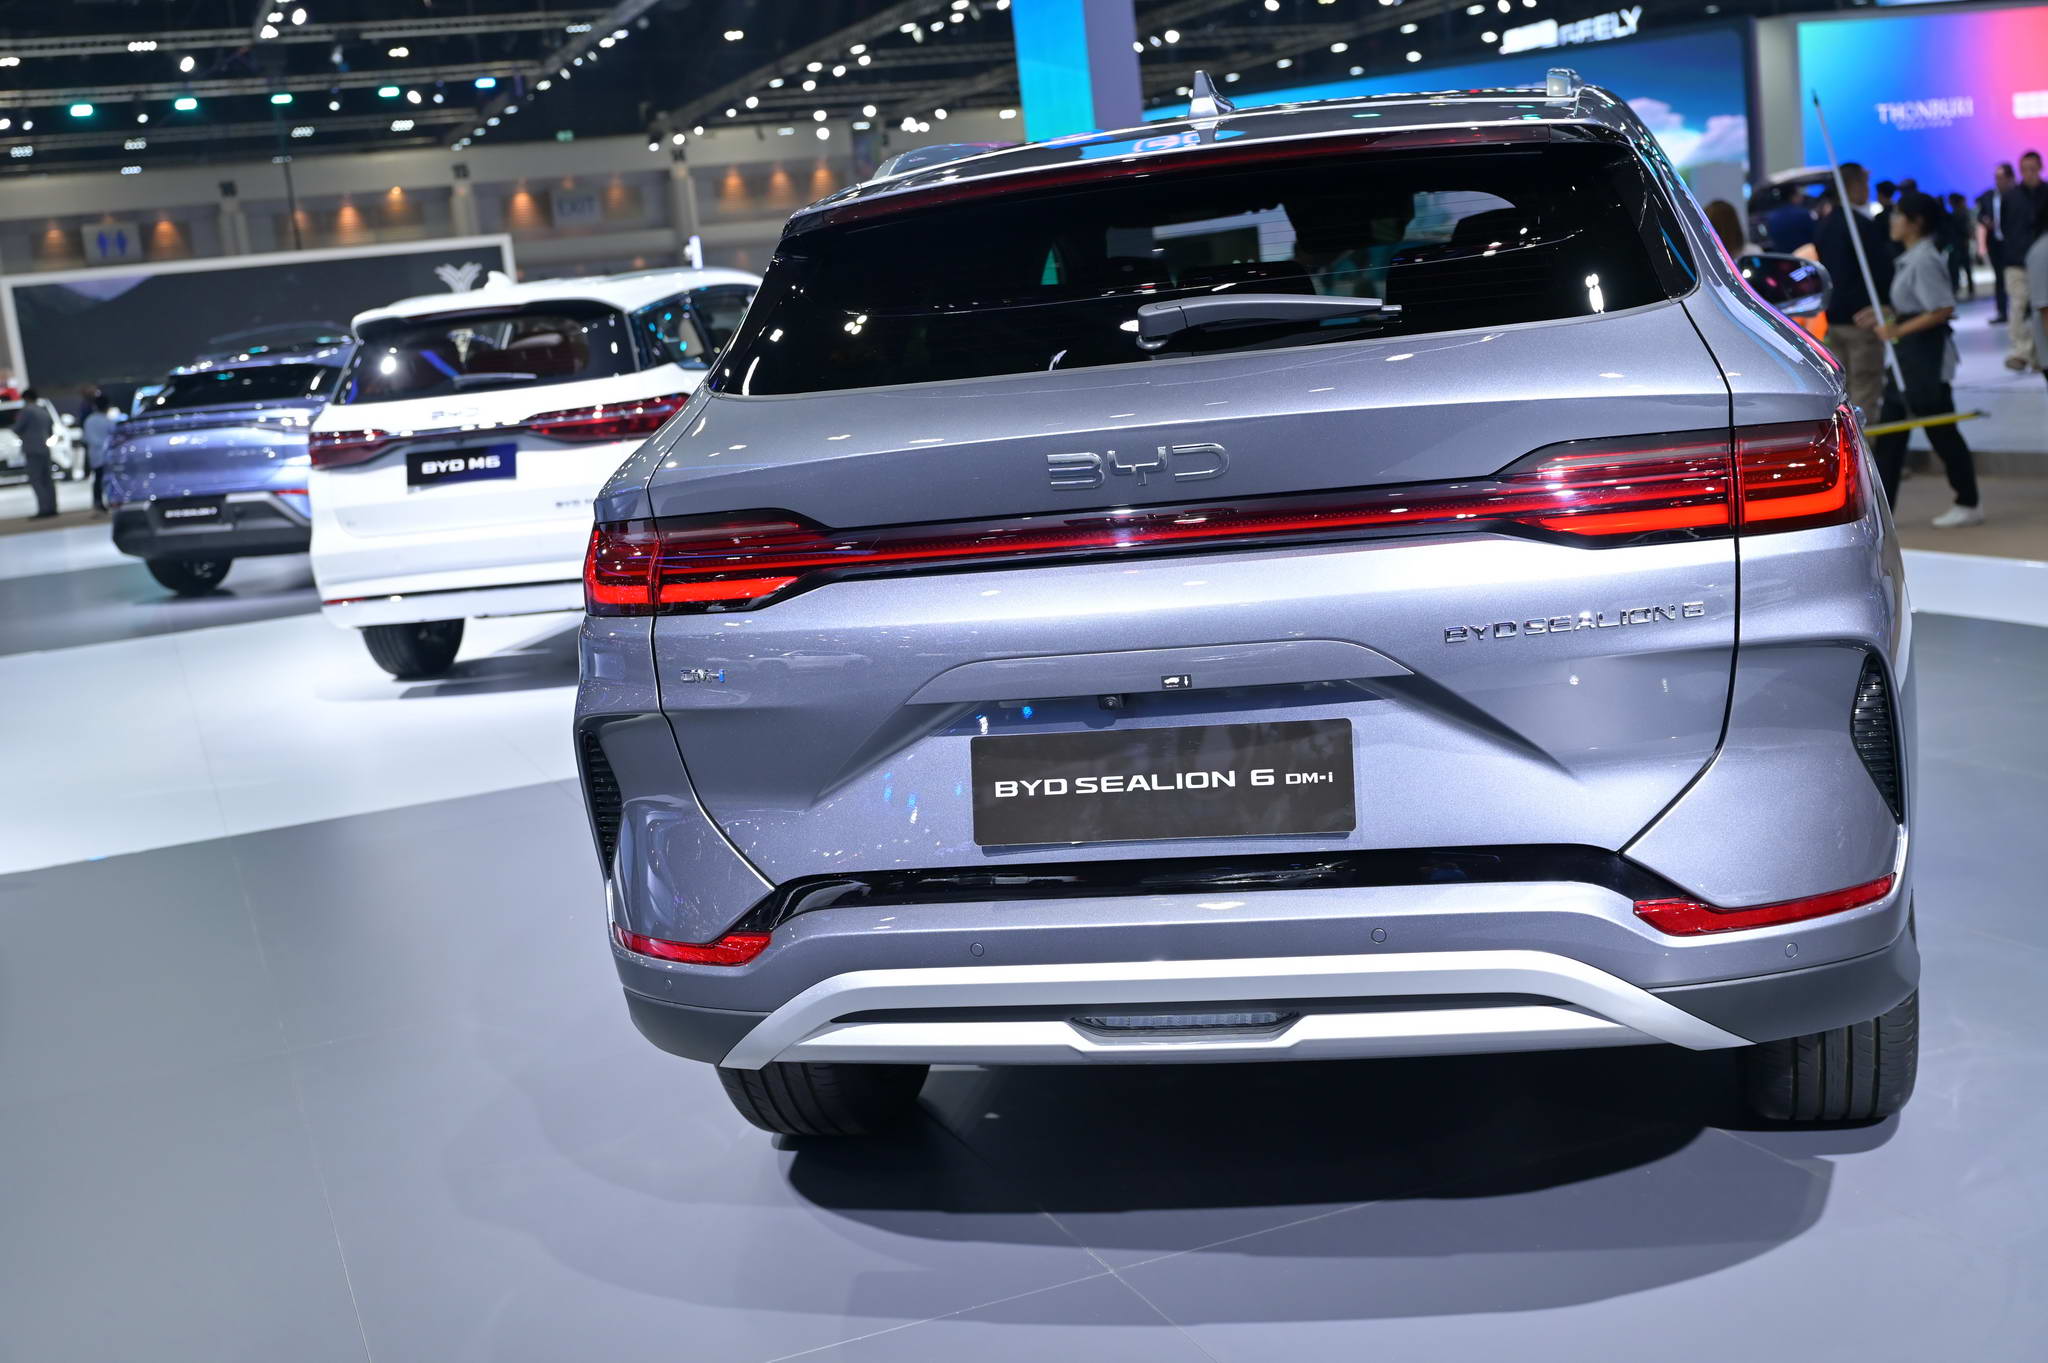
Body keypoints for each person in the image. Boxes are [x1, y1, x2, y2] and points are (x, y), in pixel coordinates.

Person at [1863, 193, 1979, 525]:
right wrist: (1885, 313)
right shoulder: (1911, 257)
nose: (1892, 221)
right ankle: (1881, 514)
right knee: (1891, 436)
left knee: (1941, 431)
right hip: (1906, 360)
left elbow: (1942, 309)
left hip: (1926, 360)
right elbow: (1915, 305)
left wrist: (1897, 328)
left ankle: (1969, 502)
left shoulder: (1925, 259)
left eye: (1898, 215)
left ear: (1916, 222)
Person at [1816, 162, 1894, 421]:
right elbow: (1880, 271)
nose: (1867, 190)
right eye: (1864, 183)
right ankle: (1868, 445)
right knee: (1866, 391)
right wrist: (1884, 307)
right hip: (1863, 320)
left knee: (1843, 395)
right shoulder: (1861, 226)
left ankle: (1850, 443)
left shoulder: (1824, 225)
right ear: (1853, 186)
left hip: (1834, 320)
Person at [2000, 150, 2047, 370]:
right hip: (2017, 261)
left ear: (2040, 168)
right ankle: (2021, 352)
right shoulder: (2011, 197)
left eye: (2032, 168)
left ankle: (2040, 356)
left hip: (2043, 263)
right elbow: (2005, 227)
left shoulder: (2046, 193)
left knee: (2041, 309)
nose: (2028, 173)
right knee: (2018, 306)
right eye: (2024, 169)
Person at [13, 387, 57, 520]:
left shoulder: (26, 411)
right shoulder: (43, 411)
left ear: (26, 398)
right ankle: (52, 507)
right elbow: (51, 430)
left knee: (37, 480)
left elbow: (17, 428)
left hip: (32, 448)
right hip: (44, 447)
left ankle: (44, 509)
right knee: (48, 479)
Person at [1980, 164, 2015, 323]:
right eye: (1996, 178)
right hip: (1995, 243)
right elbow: (1981, 215)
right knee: (1999, 278)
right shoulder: (1988, 196)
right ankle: (2002, 312)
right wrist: (1985, 220)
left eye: (2001, 177)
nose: (1998, 181)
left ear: (2010, 178)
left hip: (2014, 243)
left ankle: (2023, 310)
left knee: (2017, 276)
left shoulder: (2017, 196)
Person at [81, 397, 118, 514]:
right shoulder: (108, 421)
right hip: (108, 455)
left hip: (95, 455)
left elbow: (86, 438)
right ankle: (111, 501)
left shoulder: (89, 420)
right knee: (109, 480)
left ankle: (98, 503)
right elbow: (114, 436)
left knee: (98, 480)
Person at [1763, 183, 1816, 255]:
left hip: (1782, 258)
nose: (1802, 197)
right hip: (1805, 257)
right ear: (1793, 196)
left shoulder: (1772, 217)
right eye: (1799, 194)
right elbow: (1814, 236)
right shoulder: (1803, 214)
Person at [1945, 192, 1976, 298]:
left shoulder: (1957, 214)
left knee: (1957, 267)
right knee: (1963, 267)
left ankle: (1957, 287)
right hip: (1959, 244)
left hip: (1958, 244)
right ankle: (1965, 288)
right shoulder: (1960, 213)